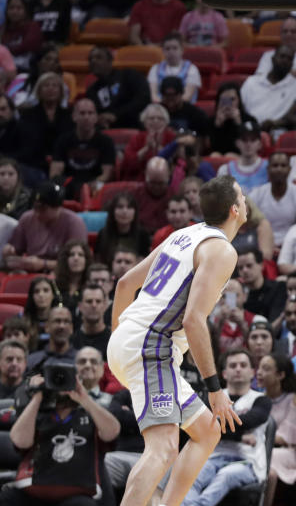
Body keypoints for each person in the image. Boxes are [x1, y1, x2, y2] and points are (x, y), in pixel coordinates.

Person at [105, 176, 245, 506]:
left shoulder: (184, 234)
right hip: (152, 346)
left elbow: (125, 284)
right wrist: (215, 389)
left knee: (208, 431)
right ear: (236, 209)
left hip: (131, 338)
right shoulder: (222, 250)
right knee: (164, 447)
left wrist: (120, 345)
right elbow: (193, 320)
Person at [6, 364, 120, 506]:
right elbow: (19, 441)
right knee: (9, 495)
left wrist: (84, 398)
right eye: (55, 378)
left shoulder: (91, 414)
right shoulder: (38, 414)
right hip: (34, 488)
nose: (61, 384)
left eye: (67, 377)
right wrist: (37, 397)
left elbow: (113, 431)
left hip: (77, 491)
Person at [181, 348, 271, 506]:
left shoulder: (261, 400)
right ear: (223, 374)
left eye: (243, 365)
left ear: (252, 372)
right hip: (212, 457)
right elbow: (203, 429)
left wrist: (216, 425)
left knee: (226, 475)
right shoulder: (211, 397)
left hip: (247, 461)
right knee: (189, 476)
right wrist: (239, 436)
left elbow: (247, 422)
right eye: (233, 365)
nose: (238, 369)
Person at [3, 181, 86, 273]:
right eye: (35, 208)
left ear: (57, 207)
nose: (37, 213)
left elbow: (79, 263)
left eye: (43, 209)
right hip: (30, 273)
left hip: (63, 274)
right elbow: (15, 250)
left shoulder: (74, 222)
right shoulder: (27, 218)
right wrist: (10, 250)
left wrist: (44, 264)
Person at [257, 353, 296, 506]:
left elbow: (285, 436)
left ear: (280, 375)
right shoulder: (257, 398)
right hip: (262, 448)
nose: (259, 372)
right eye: (259, 368)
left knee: (266, 461)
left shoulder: (295, 399)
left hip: (288, 452)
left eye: (266, 369)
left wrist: (258, 437)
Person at [50, 98, 116, 199]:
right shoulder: (63, 140)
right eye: (82, 113)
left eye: (90, 113)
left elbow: (107, 174)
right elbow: (54, 174)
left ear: (96, 117)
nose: (86, 117)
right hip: (69, 187)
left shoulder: (106, 141)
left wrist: (89, 186)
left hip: (95, 187)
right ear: (74, 117)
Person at [84, 46, 151, 130]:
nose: (93, 61)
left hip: (134, 126)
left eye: (99, 57)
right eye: (90, 59)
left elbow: (144, 98)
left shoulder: (129, 75)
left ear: (110, 61)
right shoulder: (92, 91)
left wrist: (116, 115)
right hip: (106, 131)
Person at [248, 151, 296, 249]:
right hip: (261, 244)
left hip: (292, 244)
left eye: (283, 166)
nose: (279, 169)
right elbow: (251, 225)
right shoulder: (256, 194)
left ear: (289, 169)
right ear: (268, 169)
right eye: (275, 165)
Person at [241, 45, 296, 130]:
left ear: (292, 64)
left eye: (290, 59)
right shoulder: (252, 82)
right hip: (249, 130)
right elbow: (239, 108)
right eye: (282, 56)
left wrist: (275, 124)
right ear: (272, 59)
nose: (285, 60)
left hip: (279, 132)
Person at [147, 32, 202, 104]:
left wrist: (170, 105)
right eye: (167, 49)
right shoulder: (155, 69)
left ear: (182, 50)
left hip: (184, 108)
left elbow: (187, 97)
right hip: (160, 108)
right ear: (163, 51)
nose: (171, 52)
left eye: (175, 48)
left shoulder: (192, 69)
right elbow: (153, 96)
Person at [72, 285, 111, 357]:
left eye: (98, 301)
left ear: (105, 305)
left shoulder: (113, 340)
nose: (94, 305)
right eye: (89, 301)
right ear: (80, 306)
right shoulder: (71, 340)